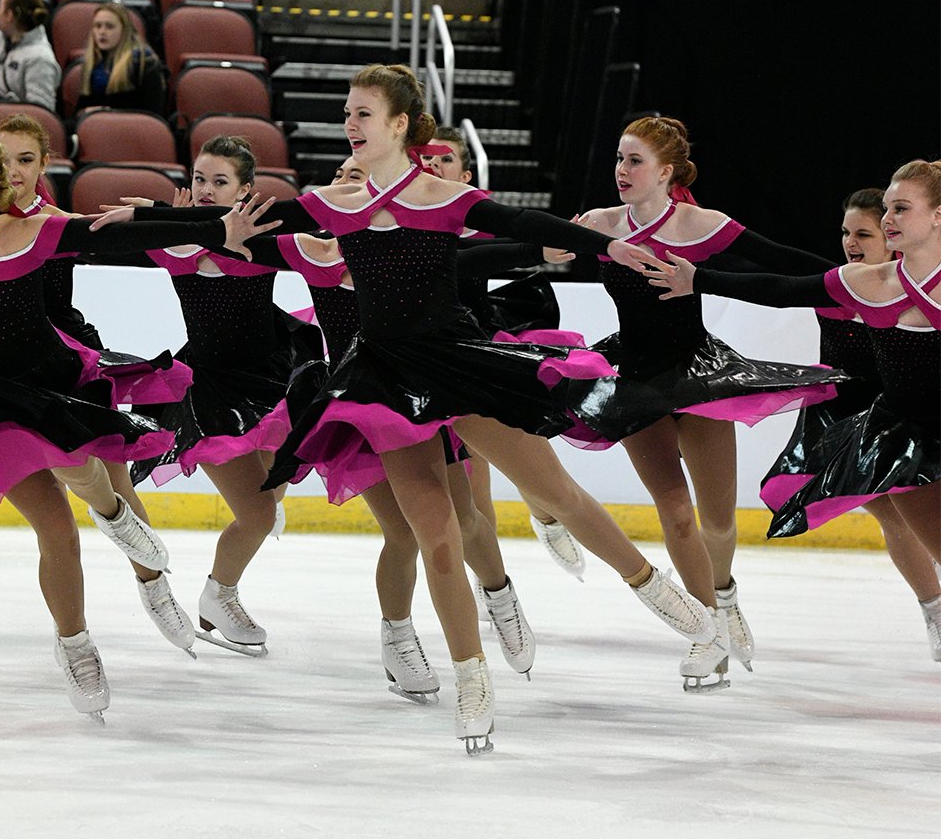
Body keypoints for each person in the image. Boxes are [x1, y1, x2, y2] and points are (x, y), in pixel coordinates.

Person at [93, 65, 712, 754]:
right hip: (384, 380)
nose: (351, 125)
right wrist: (147, 218)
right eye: (347, 113)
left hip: (455, 361)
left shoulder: (444, 195)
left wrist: (605, 245)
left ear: (397, 125)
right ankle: (471, 676)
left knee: (553, 491)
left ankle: (654, 589)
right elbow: (234, 222)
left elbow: (517, 221)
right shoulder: (332, 206)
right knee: (437, 532)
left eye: (363, 114)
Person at [0, 129, 278, 718]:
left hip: (49, 385)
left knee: (84, 470)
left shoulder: (28, 233)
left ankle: (114, 519)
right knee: (55, 526)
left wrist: (215, 231)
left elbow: (115, 234)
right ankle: (75, 644)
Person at [573, 116, 850, 691]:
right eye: (619, 160)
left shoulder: (702, 225)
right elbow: (534, 244)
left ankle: (723, 597)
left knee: (717, 517)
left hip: (700, 376)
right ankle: (710, 632)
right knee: (674, 513)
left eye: (635, 161)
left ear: (666, 172)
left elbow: (783, 262)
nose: (622, 171)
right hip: (636, 380)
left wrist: (866, 284)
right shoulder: (600, 226)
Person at [644, 162, 941, 660]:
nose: (890, 218)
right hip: (901, 441)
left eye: (901, 209)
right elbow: (781, 291)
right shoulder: (866, 283)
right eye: (887, 207)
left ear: (937, 217)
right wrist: (699, 280)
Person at [0, 113, 197, 654]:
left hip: (68, 363)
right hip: (2, 374)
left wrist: (191, 224)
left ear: (45, 165)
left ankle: (155, 589)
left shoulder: (58, 221)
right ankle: (74, 638)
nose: (13, 171)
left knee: (117, 482)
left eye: (26, 160)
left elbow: (129, 240)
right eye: (3, 158)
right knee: (56, 522)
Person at [119, 135, 323, 657]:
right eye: (199, 180)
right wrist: (157, 218)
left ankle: (221, 592)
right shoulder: (175, 241)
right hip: (208, 391)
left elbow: (323, 234)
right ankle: (219, 597)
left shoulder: (263, 234)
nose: (205, 190)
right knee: (257, 516)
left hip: (273, 381)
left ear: (245, 191)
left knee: (272, 499)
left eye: (219, 182)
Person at [424, 126, 588, 580]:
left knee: (522, 458)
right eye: (428, 159)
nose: (435, 167)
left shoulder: (480, 217)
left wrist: (543, 246)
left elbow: (497, 250)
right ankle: (488, 584)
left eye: (445, 161)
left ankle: (547, 514)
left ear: (467, 174)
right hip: (436, 359)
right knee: (475, 487)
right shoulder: (411, 224)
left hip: (487, 348)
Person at [76, 3, 165, 116]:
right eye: (97, 26)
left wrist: (107, 112)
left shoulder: (143, 61)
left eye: (109, 26)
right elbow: (79, 111)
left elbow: (154, 114)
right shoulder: (92, 64)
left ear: (124, 31)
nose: (102, 32)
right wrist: (85, 112)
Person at [0, 0, 60, 111]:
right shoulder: (1, 38)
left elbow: (41, 115)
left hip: (16, 126)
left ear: (9, 16)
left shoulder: (40, 58)